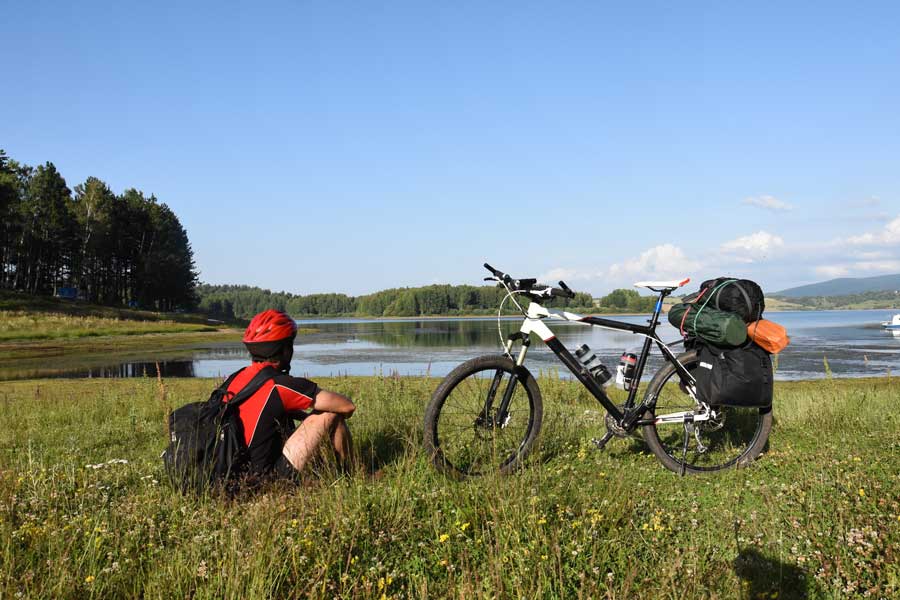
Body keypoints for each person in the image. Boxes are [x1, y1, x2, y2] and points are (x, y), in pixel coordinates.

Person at [226, 309, 355, 479]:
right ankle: (352, 475)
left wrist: (301, 414)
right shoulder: (279, 385)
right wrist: (314, 418)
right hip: (264, 477)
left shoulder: (237, 378)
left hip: (234, 471)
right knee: (330, 414)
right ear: (285, 350)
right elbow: (347, 406)